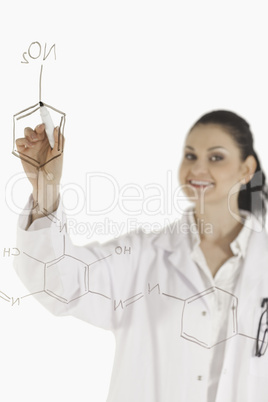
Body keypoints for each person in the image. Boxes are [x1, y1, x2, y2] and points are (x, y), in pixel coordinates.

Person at [14, 110, 268, 402]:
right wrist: (45, 187)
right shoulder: (142, 256)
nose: (198, 169)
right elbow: (61, 285)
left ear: (247, 169)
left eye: (215, 157)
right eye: (190, 156)